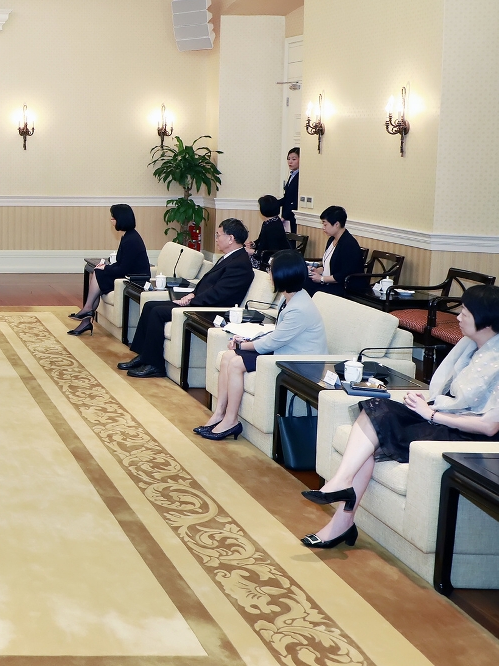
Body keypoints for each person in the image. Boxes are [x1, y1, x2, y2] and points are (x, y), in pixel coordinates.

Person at [298, 285, 499, 549]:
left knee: (376, 425)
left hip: (466, 436)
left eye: (465, 313)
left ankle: (340, 512)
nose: (458, 317)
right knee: (374, 410)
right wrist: (427, 406)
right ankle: (342, 502)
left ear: (486, 321)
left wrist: (432, 413)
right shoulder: (469, 346)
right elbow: (448, 394)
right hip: (440, 416)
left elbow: (489, 427)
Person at [196, 251, 327, 440]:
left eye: (271, 271)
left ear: (283, 275)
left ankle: (231, 420)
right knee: (227, 357)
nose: (269, 275)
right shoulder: (290, 297)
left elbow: (273, 341)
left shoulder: (299, 308)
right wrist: (245, 341)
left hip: (299, 363)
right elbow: (277, 334)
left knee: (236, 362)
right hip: (284, 351)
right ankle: (219, 414)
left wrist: (243, 345)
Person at [119, 219, 256, 378]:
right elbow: (207, 283)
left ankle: (155, 366)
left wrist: (192, 301)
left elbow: (219, 294)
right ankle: (144, 356)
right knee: (150, 306)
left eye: (218, 235)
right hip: (201, 302)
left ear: (230, 238)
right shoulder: (229, 257)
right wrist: (193, 294)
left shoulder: (240, 264)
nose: (216, 239)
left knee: (157, 312)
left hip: (211, 310)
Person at [68, 203, 150, 336]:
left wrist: (105, 267)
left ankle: (87, 312)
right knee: (98, 272)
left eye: (113, 218)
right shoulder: (128, 236)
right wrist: (105, 267)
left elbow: (123, 269)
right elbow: (122, 264)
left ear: (121, 219)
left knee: (98, 273)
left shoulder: (131, 240)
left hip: (134, 280)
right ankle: (86, 316)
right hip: (127, 274)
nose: (111, 220)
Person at [305, 205, 363, 297]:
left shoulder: (349, 244)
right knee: (302, 282)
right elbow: (330, 265)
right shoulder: (331, 239)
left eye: (325, 224)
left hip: (342, 286)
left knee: (315, 292)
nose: (323, 227)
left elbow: (344, 274)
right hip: (329, 281)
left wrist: (322, 279)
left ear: (337, 224)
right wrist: (318, 270)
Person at [248, 194, 290, 270]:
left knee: (241, 262)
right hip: (265, 257)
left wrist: (253, 252)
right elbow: (261, 241)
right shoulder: (271, 222)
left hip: (272, 262)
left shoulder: (273, 227)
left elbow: (272, 252)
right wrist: (254, 244)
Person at [281, 147, 300, 233]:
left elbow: (295, 200)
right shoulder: (292, 175)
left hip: (293, 216)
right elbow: (287, 197)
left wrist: (284, 216)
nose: (290, 162)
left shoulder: (300, 176)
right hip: (287, 215)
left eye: (294, 159)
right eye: (288, 159)